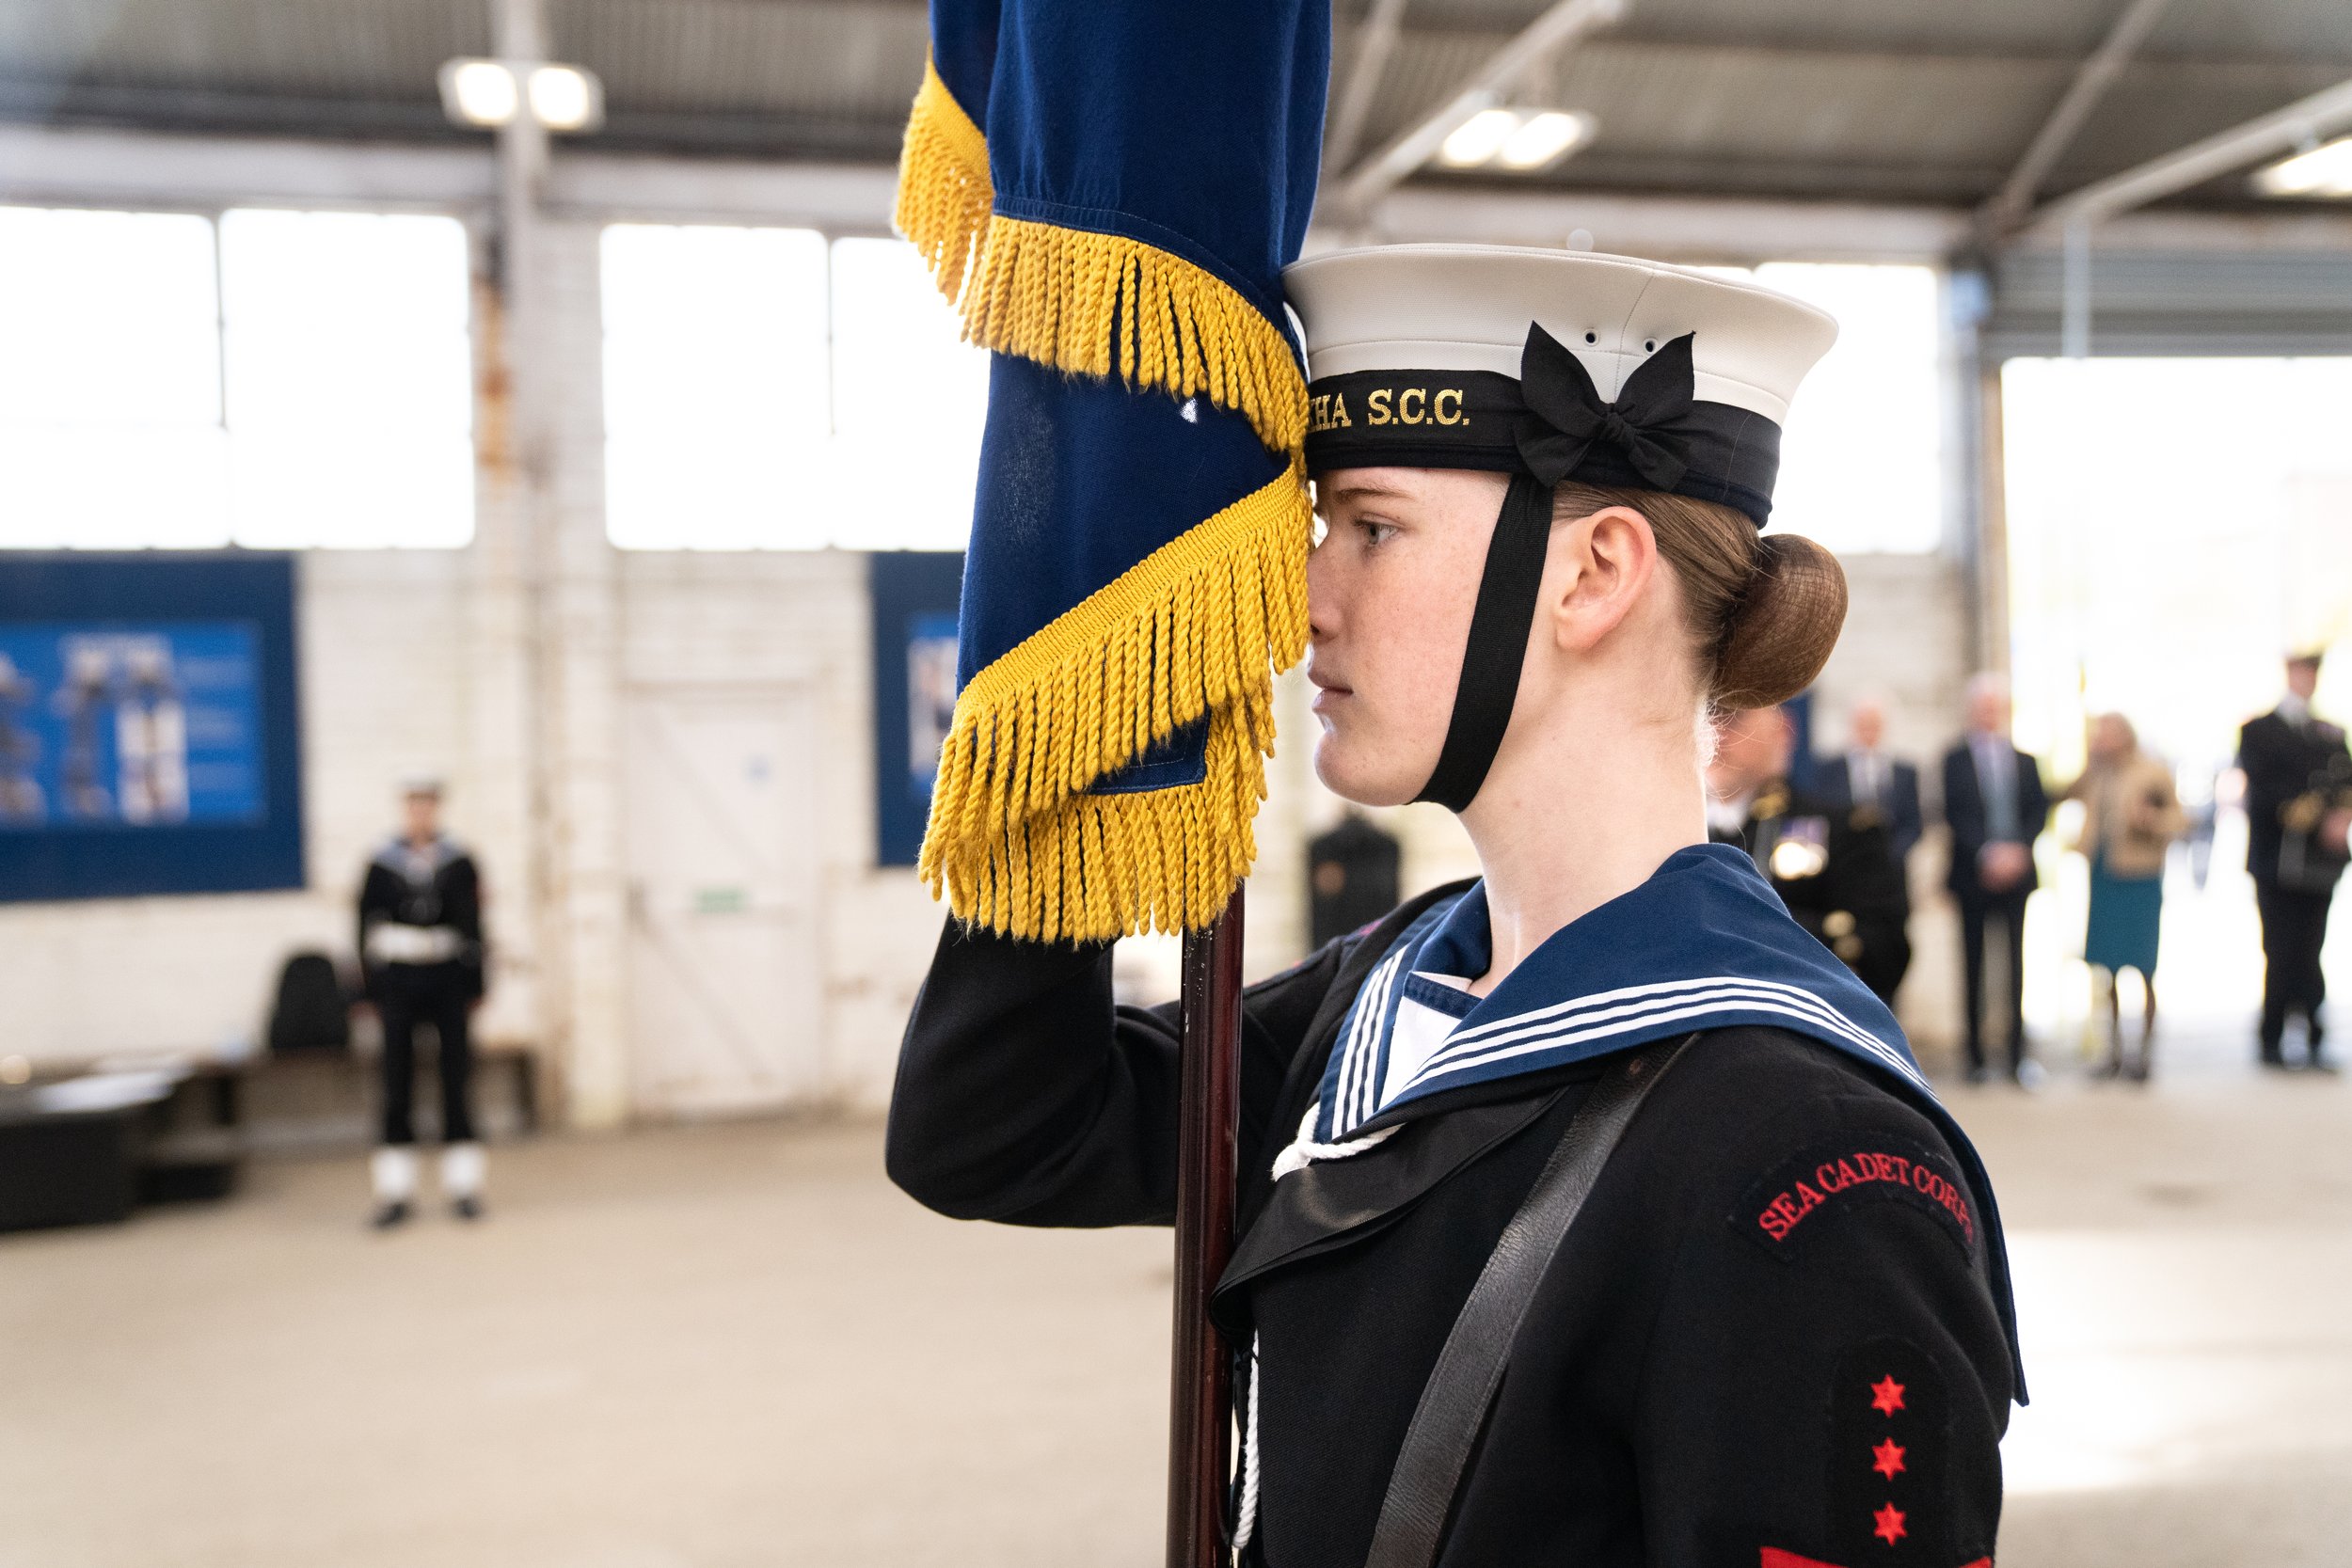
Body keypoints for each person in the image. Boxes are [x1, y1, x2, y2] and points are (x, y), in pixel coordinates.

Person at [891, 248, 2019, 1564]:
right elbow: (994, 1127)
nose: (1303, 601)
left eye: (1371, 528)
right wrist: (1101, 691)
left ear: (1593, 572)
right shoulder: (1392, 990)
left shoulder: (1803, 1156)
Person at [1708, 704, 1913, 1005]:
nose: (1715, 732)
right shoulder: (1660, 830)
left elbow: (1883, 954)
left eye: (1732, 716)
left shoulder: (1842, 828)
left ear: (1781, 732)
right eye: (1704, 716)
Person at [358, 776, 489, 1226]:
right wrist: (369, 989)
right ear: (405, 808)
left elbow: (475, 924)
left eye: (428, 805)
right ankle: (395, 1191)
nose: (421, 813)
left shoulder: (459, 860)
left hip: (447, 978)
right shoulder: (381, 862)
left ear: (437, 808)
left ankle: (463, 1185)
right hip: (398, 980)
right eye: (414, 805)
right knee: (396, 1081)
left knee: (456, 1077)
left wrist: (476, 985)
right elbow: (363, 925)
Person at [2238, 651, 2352, 1069]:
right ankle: (2272, 1036)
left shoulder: (2328, 733)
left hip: (2319, 860)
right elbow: (2268, 792)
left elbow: (2344, 783)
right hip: (2276, 860)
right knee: (2279, 949)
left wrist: (2340, 815)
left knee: (2311, 948)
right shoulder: (2259, 731)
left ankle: (2314, 1038)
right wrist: (2310, 811)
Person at [2063, 714, 2185, 1081]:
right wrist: (2089, 761)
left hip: (2139, 875)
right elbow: (2064, 794)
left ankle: (2143, 1055)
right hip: (2105, 874)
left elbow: (2179, 819)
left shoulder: (2152, 772)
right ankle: (2113, 1051)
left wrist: (2150, 820)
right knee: (2108, 968)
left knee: (2143, 966)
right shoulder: (2097, 773)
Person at [1940, 674, 2049, 1085]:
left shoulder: (2025, 760)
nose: (1989, 714)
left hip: (2017, 875)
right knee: (1973, 965)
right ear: (1972, 711)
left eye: (1995, 707)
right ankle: (1975, 1058)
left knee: (2016, 965)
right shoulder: (1954, 760)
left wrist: (2017, 850)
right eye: (1982, 707)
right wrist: (1987, 852)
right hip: (1973, 875)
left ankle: (2017, 1056)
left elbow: (2038, 810)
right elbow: (1952, 813)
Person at [1820, 695, 1924, 863]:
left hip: (1891, 866)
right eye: (1863, 724)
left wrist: (1887, 856)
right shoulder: (1829, 769)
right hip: (1844, 864)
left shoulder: (1905, 772)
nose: (1869, 731)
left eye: (1874, 724)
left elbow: (1913, 824)